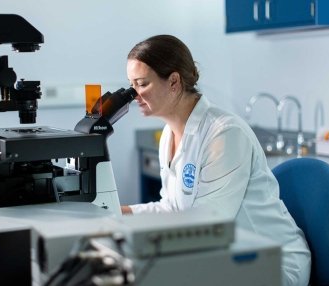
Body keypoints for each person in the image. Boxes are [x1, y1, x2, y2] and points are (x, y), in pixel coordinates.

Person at [121, 34, 311, 286]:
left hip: (270, 262)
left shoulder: (224, 133)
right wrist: (119, 213)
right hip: (223, 256)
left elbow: (210, 224)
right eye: (131, 85)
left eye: (142, 84)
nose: (134, 95)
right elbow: (173, 209)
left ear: (174, 81)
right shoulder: (169, 134)